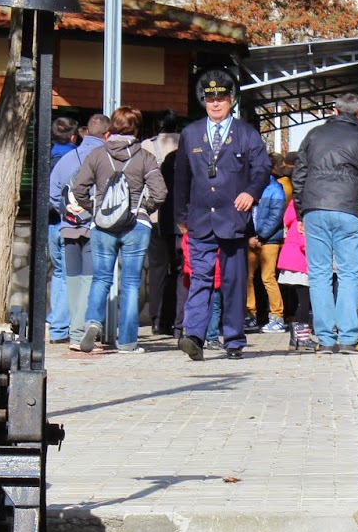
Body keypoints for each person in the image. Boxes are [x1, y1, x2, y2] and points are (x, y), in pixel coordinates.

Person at [173, 68, 271, 361]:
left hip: (233, 220)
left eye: (221, 98)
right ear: (203, 101)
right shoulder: (190, 133)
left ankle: (234, 340)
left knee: (233, 281)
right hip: (200, 220)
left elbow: (262, 168)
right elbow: (181, 178)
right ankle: (194, 336)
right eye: (210, 99)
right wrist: (181, 217)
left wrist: (251, 192)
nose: (215, 104)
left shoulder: (246, 133)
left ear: (231, 100)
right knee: (199, 278)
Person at [72, 107, 167, 354]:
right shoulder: (145, 157)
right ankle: (127, 342)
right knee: (132, 283)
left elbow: (79, 189)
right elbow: (160, 192)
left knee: (101, 279)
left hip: (103, 226)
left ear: (112, 126)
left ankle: (93, 322)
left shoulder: (96, 154)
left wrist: (95, 210)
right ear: (136, 128)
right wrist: (142, 207)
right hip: (136, 224)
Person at [291, 93, 358, 352]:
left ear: (334, 110)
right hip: (348, 210)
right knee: (350, 274)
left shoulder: (314, 135)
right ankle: (349, 337)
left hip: (315, 208)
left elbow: (299, 175)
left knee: (319, 274)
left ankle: (326, 340)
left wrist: (300, 211)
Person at [48, 113, 108, 349]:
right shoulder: (106, 158)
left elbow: (53, 193)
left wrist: (67, 211)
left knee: (68, 278)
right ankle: (85, 328)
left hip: (68, 227)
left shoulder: (66, 159)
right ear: (107, 134)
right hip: (96, 227)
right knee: (92, 280)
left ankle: (66, 331)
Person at [140, 110, 184, 337]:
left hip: (154, 215)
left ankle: (156, 319)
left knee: (157, 269)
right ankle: (178, 319)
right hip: (181, 219)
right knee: (180, 270)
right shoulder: (186, 144)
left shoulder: (147, 146)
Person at [45, 117, 81, 342]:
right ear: (73, 136)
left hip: (50, 222)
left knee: (59, 273)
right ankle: (60, 328)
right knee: (70, 275)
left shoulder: (46, 156)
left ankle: (55, 320)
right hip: (68, 222)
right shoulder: (75, 158)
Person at [245, 154, 288, 333]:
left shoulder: (275, 188)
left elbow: (276, 216)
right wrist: (249, 236)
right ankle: (250, 314)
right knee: (247, 277)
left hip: (269, 240)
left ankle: (277, 316)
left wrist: (260, 236)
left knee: (268, 278)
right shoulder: (248, 187)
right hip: (250, 239)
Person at [276, 197, 315, 349]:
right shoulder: (302, 220)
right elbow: (304, 243)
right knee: (304, 302)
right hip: (300, 264)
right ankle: (302, 337)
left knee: (299, 302)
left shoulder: (292, 220)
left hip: (291, 264)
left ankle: (295, 339)